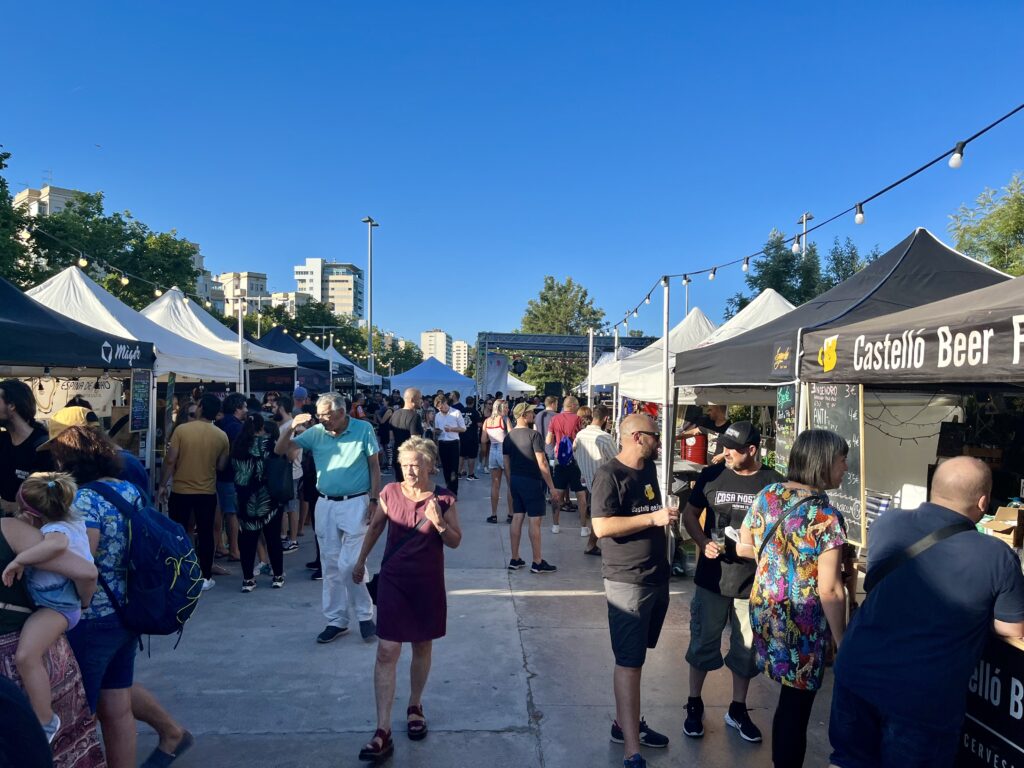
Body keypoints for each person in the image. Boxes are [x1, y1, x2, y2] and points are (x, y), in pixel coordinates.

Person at [829, 456, 1024, 768]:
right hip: (922, 697)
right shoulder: (997, 557)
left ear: (933, 489)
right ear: (984, 502)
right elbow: (1012, 629)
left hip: (858, 672)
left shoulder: (887, 523)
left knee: (848, 760)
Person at [736, 429, 848, 768]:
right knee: (796, 709)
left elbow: (746, 543)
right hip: (802, 623)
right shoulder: (826, 518)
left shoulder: (769, 494)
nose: (845, 469)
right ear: (824, 462)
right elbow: (830, 589)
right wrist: (844, 641)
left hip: (767, 611)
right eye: (842, 461)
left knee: (789, 700)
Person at [352, 436, 462, 762]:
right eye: (404, 465)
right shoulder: (389, 492)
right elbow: (374, 530)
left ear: (429, 465)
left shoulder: (444, 498)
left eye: (416, 465)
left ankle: (415, 704)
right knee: (387, 650)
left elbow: (455, 541)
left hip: (427, 582)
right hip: (394, 581)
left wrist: (440, 522)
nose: (410, 471)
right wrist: (360, 562)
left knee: (422, 645)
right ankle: (382, 729)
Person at [680, 421, 782, 744]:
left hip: (751, 583)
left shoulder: (772, 484)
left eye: (732, 449)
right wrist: (700, 541)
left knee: (746, 650)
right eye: (722, 446)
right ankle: (694, 704)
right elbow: (689, 514)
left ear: (751, 450)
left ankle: (737, 709)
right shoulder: (711, 475)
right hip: (711, 579)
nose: (724, 452)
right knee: (702, 644)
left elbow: (778, 534)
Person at [51, 425, 145, 768]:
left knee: (81, 713)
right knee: (118, 710)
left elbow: (84, 560)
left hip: (92, 616)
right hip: (126, 611)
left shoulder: (84, 498)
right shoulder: (128, 489)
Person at [590, 414, 674, 768]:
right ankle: (631, 749)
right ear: (637, 437)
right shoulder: (610, 475)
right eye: (656, 436)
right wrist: (651, 519)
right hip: (627, 581)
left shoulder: (648, 470)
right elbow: (601, 526)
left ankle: (625, 724)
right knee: (629, 663)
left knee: (637, 658)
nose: (659, 442)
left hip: (656, 577)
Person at [0, 505, 104, 768]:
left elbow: (86, 572)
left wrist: (79, 605)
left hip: (24, 661)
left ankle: (46, 721)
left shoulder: (11, 530)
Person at [276, 393, 380, 644]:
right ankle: (336, 620)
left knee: (350, 563)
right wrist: (290, 425)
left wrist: (375, 500)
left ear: (342, 413)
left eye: (327, 416)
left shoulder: (363, 429)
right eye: (320, 416)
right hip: (325, 504)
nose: (323, 421)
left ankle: (365, 615)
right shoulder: (316, 433)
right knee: (330, 565)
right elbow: (282, 450)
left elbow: (374, 466)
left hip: (356, 502)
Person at [159, 394, 229, 591]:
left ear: (200, 408)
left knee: (178, 532)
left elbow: (170, 460)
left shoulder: (182, 430)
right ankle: (205, 575)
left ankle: (178, 572)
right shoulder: (221, 435)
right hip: (206, 491)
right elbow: (222, 465)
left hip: (181, 489)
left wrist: (163, 484)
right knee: (206, 533)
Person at [504, 402, 561, 574]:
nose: (533, 415)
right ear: (523, 415)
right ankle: (537, 561)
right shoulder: (534, 436)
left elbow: (506, 463)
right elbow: (542, 462)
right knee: (534, 520)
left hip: (515, 479)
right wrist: (552, 487)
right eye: (530, 412)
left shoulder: (509, 436)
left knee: (517, 517)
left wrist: (510, 481)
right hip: (532, 481)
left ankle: (515, 558)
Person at [232, 413, 285, 592]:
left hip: (244, 499)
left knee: (247, 541)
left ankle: (248, 579)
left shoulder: (238, 445)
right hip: (268, 498)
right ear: (262, 428)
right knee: (273, 538)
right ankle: (278, 576)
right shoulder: (270, 444)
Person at [0, 380, 52, 515]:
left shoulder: (43, 446)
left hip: (33, 527)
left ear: (11, 405)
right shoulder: (3, 441)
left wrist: (14, 507)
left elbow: (51, 498)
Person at [573, 405, 617, 557]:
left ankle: (592, 544)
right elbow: (616, 461)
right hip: (603, 482)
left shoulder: (580, 434)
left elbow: (575, 452)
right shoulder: (605, 438)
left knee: (599, 514)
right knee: (603, 515)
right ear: (606, 419)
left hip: (587, 478)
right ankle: (592, 544)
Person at [546, 396, 592, 541]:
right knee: (581, 495)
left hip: (560, 461)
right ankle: (584, 527)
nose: (578, 407)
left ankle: (555, 525)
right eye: (577, 405)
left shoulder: (554, 419)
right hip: (576, 462)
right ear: (571, 405)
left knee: (557, 494)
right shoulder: (578, 420)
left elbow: (548, 440)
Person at [214, 393, 247, 562]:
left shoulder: (218, 423)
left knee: (219, 511)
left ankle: (220, 545)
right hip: (230, 474)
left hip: (217, 473)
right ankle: (234, 549)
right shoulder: (236, 427)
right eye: (244, 406)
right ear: (237, 408)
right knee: (231, 512)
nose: (246, 409)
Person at [482, 400, 514, 524]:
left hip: (493, 451)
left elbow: (483, 440)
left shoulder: (487, 421)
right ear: (500, 408)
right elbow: (512, 437)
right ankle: (510, 514)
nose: (507, 409)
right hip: (504, 451)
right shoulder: (505, 420)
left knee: (495, 484)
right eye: (505, 407)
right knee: (510, 483)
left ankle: (494, 514)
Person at [389, 388, 424, 484]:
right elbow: (416, 441)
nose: (422, 401)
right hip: (410, 458)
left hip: (397, 454)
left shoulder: (395, 414)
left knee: (400, 484)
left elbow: (391, 436)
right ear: (413, 400)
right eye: (420, 398)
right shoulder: (415, 416)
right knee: (411, 487)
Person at [433, 394, 465, 496]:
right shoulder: (437, 415)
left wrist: (451, 429)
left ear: (445, 402)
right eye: (438, 408)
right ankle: (448, 490)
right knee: (446, 469)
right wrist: (436, 431)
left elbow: (463, 428)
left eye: (441, 407)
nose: (440, 410)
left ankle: (453, 492)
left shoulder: (456, 413)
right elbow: (437, 430)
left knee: (453, 470)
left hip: (453, 443)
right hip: (442, 443)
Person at [458, 395, 481, 481]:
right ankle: (470, 474)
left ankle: (459, 473)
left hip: (462, 436)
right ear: (473, 402)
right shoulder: (475, 412)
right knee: (472, 456)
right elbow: (479, 424)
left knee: (462, 455)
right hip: (472, 437)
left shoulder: (462, 411)